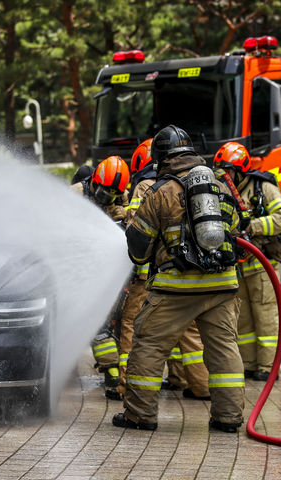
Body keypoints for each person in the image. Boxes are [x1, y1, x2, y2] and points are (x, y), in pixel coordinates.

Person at [113, 125, 244, 433]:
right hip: (222, 283)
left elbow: (139, 248)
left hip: (176, 288)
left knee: (148, 345)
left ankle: (140, 416)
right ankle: (228, 418)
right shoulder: (220, 186)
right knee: (224, 350)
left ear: (161, 158)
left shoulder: (161, 192)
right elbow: (236, 227)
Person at [118, 139, 193, 399]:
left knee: (136, 327)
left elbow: (137, 230)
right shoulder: (193, 182)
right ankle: (187, 380)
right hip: (195, 271)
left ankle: (129, 388)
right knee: (187, 332)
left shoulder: (145, 186)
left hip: (155, 274)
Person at [215, 142, 281, 381]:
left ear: (242, 169)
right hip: (239, 266)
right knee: (243, 318)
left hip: (262, 265)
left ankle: (268, 367)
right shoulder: (223, 193)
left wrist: (253, 226)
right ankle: (248, 363)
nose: (224, 178)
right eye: (220, 172)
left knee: (266, 315)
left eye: (228, 172)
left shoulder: (262, 187)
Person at [72, 156, 130, 396]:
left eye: (112, 194)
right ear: (94, 180)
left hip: (107, 267)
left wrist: (121, 213)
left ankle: (113, 373)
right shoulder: (76, 192)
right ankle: (110, 371)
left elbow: (127, 220)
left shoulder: (120, 196)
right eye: (103, 191)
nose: (106, 197)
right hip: (79, 266)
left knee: (103, 320)